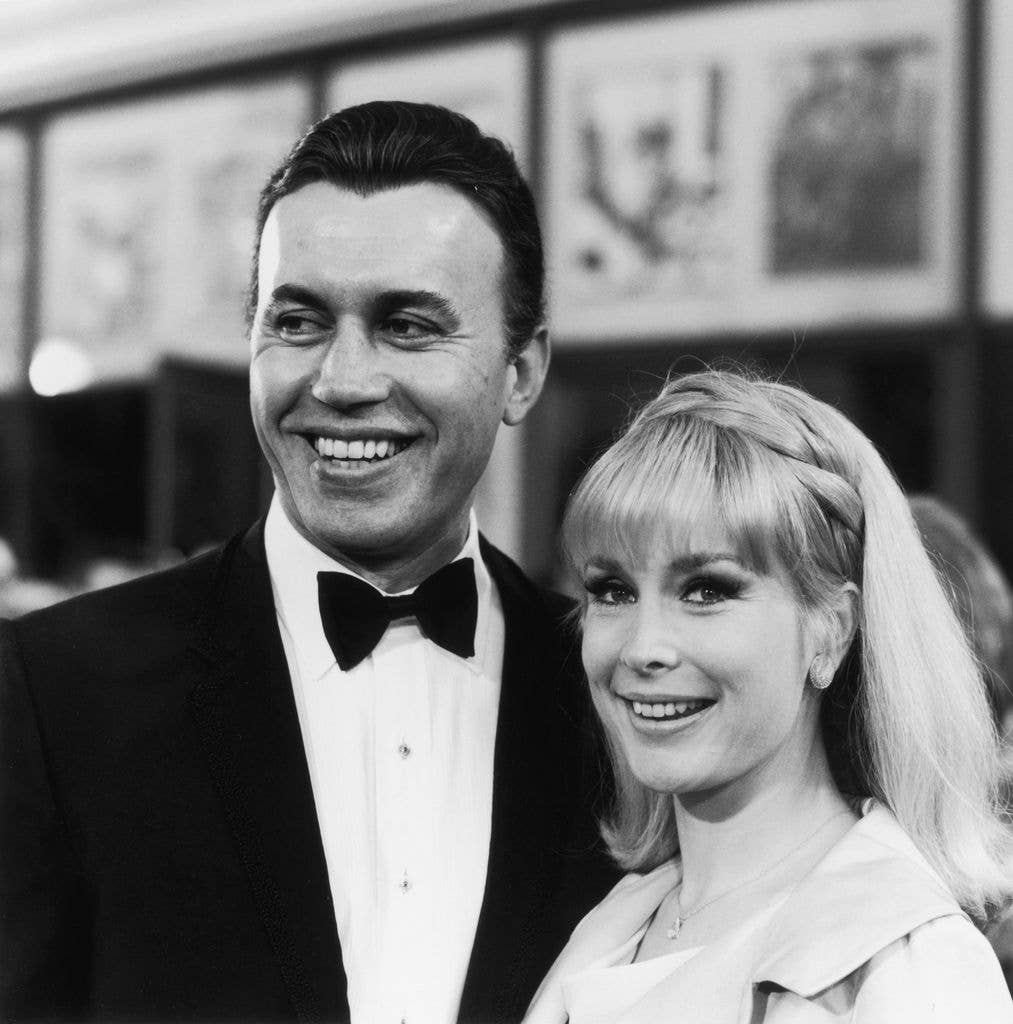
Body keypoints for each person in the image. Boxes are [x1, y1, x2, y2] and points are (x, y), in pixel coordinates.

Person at [0, 102, 618, 1024]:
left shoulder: (617, 694)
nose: (341, 380)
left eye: (408, 325)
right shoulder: (55, 691)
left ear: (521, 373)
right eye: (298, 321)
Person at [524, 369, 1013, 1023]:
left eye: (706, 590)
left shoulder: (902, 959)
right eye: (612, 591)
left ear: (830, 630)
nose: (642, 648)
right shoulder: (615, 925)